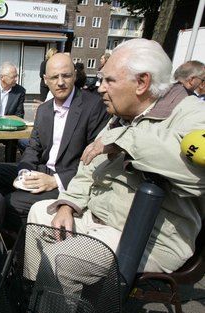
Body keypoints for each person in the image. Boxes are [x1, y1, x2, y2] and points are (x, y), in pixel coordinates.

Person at [27, 38, 205, 275]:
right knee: (38, 214)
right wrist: (67, 206)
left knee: (60, 258)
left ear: (142, 82)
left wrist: (123, 140)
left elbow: (194, 174)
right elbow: (88, 167)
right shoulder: (122, 114)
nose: (100, 87)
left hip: (149, 237)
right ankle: (35, 292)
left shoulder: (191, 114)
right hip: (99, 218)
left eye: (109, 80)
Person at [0, 53, 109, 229]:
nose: (60, 82)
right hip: (43, 169)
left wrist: (56, 181)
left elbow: (94, 162)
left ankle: (22, 246)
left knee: (12, 202)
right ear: (46, 80)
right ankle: (6, 230)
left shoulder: (94, 106)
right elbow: (33, 148)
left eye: (66, 75)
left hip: (69, 177)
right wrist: (25, 172)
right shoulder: (45, 109)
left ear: (75, 76)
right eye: (54, 77)